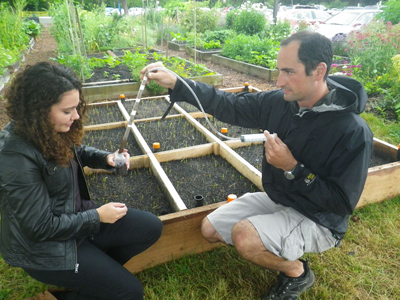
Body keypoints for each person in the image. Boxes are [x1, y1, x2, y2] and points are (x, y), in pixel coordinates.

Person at [140, 31, 373, 299]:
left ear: (319, 71)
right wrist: (179, 83)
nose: (280, 81)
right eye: (278, 70)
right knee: (210, 229)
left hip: (319, 218)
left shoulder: (352, 131)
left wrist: (294, 169)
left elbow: (342, 203)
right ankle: (275, 238)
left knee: (244, 237)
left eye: (289, 72)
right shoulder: (282, 102)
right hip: (281, 198)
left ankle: (297, 271)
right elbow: (228, 105)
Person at [0, 62, 163, 300]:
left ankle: (96, 277)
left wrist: (105, 158)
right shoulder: (14, 156)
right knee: (129, 293)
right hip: (46, 248)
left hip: (74, 216)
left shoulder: (45, 130)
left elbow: (77, 150)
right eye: (67, 111)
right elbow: (38, 228)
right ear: (38, 111)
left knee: (151, 227)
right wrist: (96, 217)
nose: (75, 116)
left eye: (76, 108)